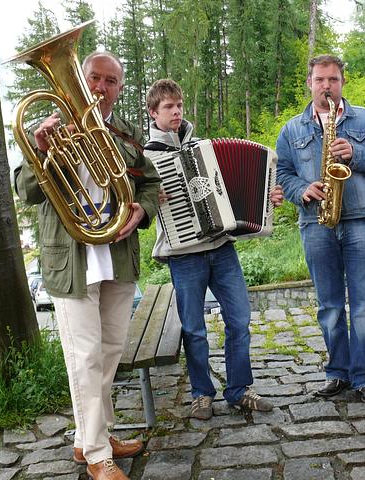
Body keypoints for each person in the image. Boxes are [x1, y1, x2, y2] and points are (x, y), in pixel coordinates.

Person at [14, 51, 161, 480]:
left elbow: (150, 182)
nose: (100, 87)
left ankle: (90, 436)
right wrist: (41, 151)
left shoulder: (126, 132)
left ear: (119, 88)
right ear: (80, 78)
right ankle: (98, 455)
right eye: (94, 77)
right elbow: (26, 190)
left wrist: (143, 210)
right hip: (72, 261)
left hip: (117, 255)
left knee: (110, 351)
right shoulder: (52, 129)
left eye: (110, 81)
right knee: (85, 358)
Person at [143, 79, 283, 420]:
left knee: (240, 319)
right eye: (168, 107)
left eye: (179, 105)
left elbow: (237, 190)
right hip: (183, 254)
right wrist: (148, 196)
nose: (176, 112)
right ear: (153, 113)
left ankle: (238, 390)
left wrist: (267, 197)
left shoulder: (202, 148)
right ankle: (201, 394)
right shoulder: (147, 158)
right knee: (194, 329)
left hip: (221, 248)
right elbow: (135, 202)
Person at [275, 55, 365, 404]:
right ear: (310, 83)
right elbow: (282, 173)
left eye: (333, 79)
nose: (326, 86)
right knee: (329, 305)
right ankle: (338, 372)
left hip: (361, 221)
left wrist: (355, 153)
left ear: (342, 82)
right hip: (316, 222)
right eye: (320, 80)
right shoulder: (291, 130)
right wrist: (302, 190)